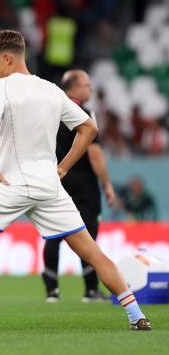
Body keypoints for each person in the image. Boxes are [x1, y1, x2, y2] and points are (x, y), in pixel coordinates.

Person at [0, 30, 151, 333]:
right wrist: (62, 168)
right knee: (92, 252)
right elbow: (89, 128)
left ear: (8, 58)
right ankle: (136, 315)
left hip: (12, 185)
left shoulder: (0, 87)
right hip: (49, 186)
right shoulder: (51, 90)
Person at [42, 70, 117, 303]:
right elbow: (95, 155)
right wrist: (107, 184)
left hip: (55, 180)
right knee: (87, 236)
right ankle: (91, 290)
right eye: (86, 85)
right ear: (73, 89)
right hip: (84, 184)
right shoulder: (84, 115)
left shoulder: (50, 112)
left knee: (53, 235)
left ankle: (52, 291)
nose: (90, 89)